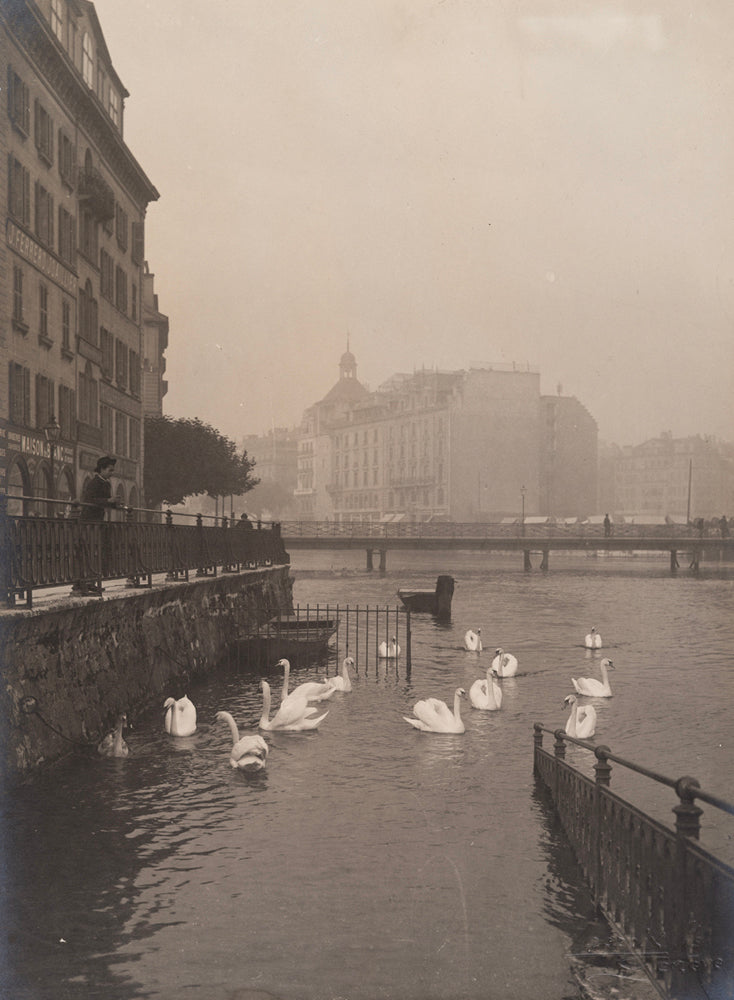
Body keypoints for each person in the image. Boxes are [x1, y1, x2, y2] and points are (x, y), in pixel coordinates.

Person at [72, 457, 120, 594]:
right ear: (102, 469)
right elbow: (90, 500)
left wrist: (115, 503)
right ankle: (84, 582)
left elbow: (104, 502)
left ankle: (91, 581)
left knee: (95, 552)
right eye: (110, 470)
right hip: (89, 522)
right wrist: (108, 500)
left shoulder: (106, 483)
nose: (112, 472)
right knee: (89, 551)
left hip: (97, 522)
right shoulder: (95, 482)